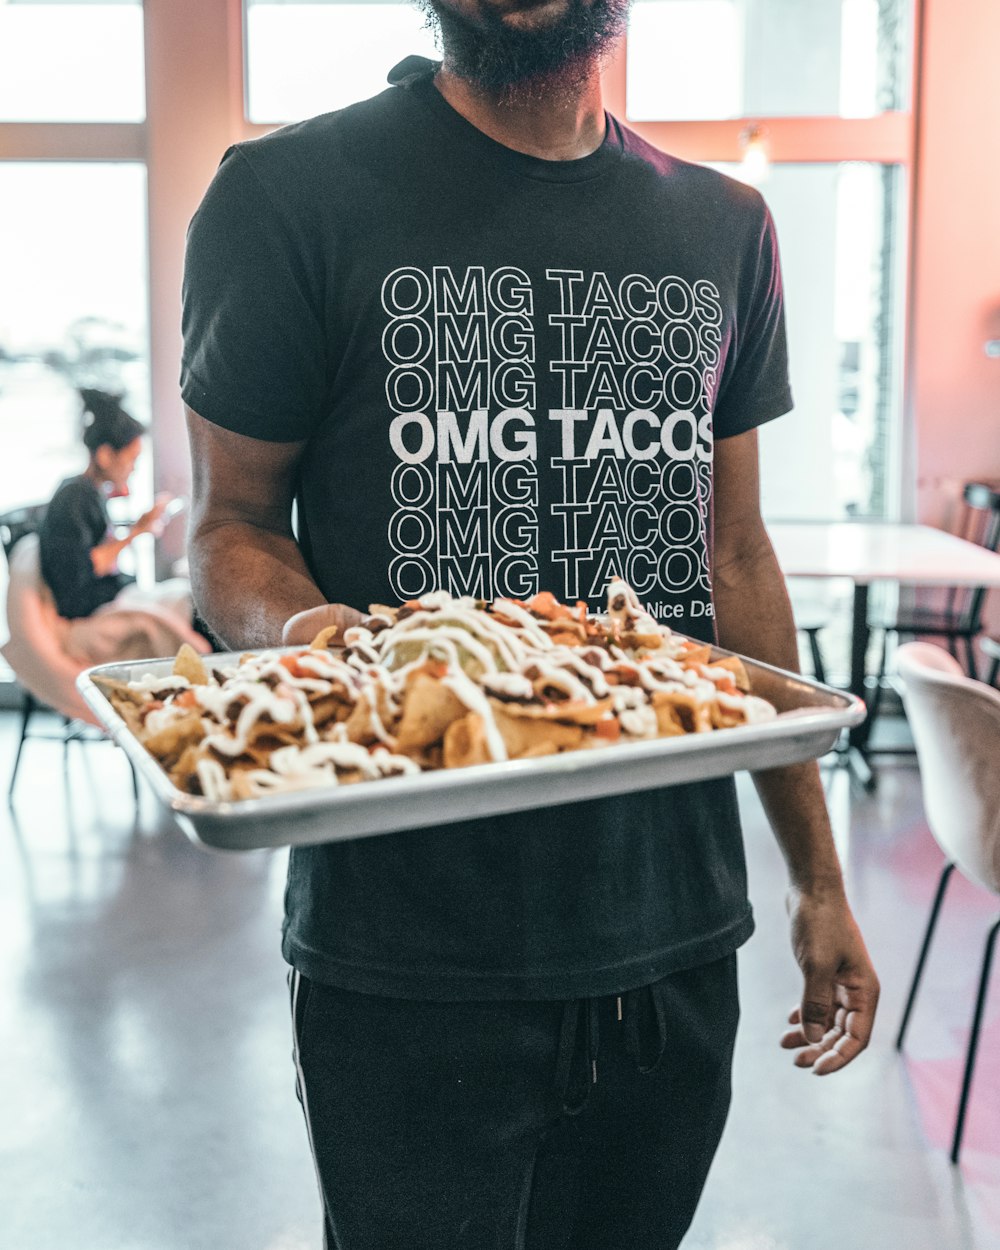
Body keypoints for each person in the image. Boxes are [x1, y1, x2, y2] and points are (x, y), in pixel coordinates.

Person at [181, 2, 880, 1246]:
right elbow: (230, 525)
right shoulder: (286, 193)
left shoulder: (723, 225)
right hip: (406, 950)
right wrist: (311, 637)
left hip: (673, 928)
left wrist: (817, 878)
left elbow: (733, 555)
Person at [39, 388, 172, 620]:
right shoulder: (76, 498)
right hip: (84, 609)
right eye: (132, 459)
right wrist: (138, 531)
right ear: (105, 455)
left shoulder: (85, 491)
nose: (134, 468)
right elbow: (85, 569)